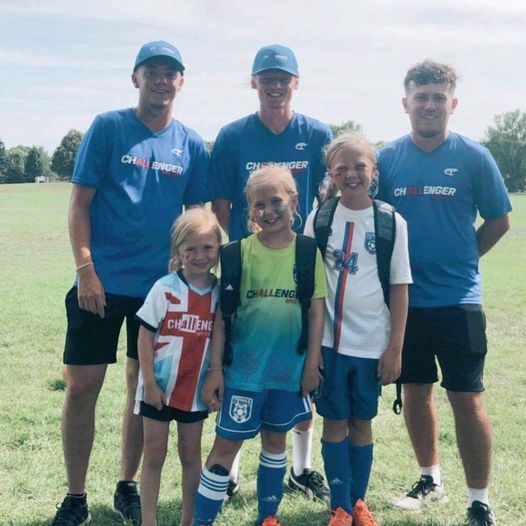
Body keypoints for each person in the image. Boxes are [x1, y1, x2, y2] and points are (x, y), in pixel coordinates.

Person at [52, 41, 210, 526]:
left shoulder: (192, 143)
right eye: (153, 71)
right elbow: (79, 205)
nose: (162, 80)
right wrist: (86, 270)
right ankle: (75, 497)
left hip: (160, 291)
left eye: (171, 73)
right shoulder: (109, 127)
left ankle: (126, 485)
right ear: (136, 77)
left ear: (181, 82)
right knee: (82, 386)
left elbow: (198, 218)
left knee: (143, 388)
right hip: (99, 284)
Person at [377, 60, 511, 526]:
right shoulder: (388, 158)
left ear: (452, 103)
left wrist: (465, 258)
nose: (429, 105)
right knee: (415, 393)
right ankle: (429, 478)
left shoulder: (475, 156)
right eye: (421, 96)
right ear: (406, 103)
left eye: (438, 97)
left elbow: (499, 219)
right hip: (405, 300)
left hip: (459, 301)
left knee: (467, 397)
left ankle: (479, 500)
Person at [210, 43, 333, 504]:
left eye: (284, 77)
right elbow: (221, 199)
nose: (276, 85)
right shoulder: (233, 134)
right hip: (250, 260)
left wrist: (300, 251)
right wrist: (246, 251)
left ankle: (302, 469)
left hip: (301, 264)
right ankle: (233, 471)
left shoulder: (318, 132)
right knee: (244, 357)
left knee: (300, 356)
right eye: (267, 77)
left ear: (296, 83)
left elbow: (329, 197)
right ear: (254, 82)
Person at [193, 166, 327, 526]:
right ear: (248, 210)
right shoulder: (236, 254)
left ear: (294, 202)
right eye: (258, 205)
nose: (268, 211)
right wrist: (217, 370)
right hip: (244, 373)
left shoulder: (308, 251)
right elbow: (223, 317)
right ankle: (201, 521)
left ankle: (268, 517)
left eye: (276, 202)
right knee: (224, 447)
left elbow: (316, 312)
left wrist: (312, 362)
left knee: (275, 442)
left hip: (289, 371)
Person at [303, 133, 412, 526]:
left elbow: (400, 287)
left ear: (373, 170)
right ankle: (341, 506)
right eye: (342, 168)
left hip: (371, 345)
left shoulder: (390, 221)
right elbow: (311, 288)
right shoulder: (320, 218)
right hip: (330, 343)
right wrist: (312, 350)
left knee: (362, 422)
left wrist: (394, 349)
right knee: (334, 421)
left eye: (359, 166)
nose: (351, 174)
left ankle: (359, 503)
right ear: (331, 173)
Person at [136, 208, 221, 526]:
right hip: (158, 388)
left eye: (207, 248)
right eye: (191, 249)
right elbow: (145, 335)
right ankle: (148, 520)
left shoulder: (217, 293)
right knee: (154, 456)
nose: (200, 256)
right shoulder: (165, 288)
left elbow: (218, 340)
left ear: (217, 248)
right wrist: (149, 381)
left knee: (190, 456)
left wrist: (215, 378)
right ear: (178, 252)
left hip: (194, 391)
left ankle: (189, 520)